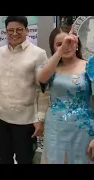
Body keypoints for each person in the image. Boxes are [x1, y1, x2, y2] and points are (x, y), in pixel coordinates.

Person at [0, 16, 48, 164]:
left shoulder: (38, 54)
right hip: (1, 116)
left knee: (24, 159)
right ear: (5, 32)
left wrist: (40, 119)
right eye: (10, 30)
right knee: (3, 158)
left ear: (27, 30)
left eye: (19, 29)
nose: (14, 33)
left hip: (25, 119)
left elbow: (43, 89)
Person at [38, 25, 94, 164]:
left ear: (77, 43)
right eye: (59, 44)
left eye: (69, 42)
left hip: (84, 130)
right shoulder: (50, 68)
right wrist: (60, 51)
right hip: (55, 129)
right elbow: (42, 79)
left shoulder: (89, 66)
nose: (65, 47)